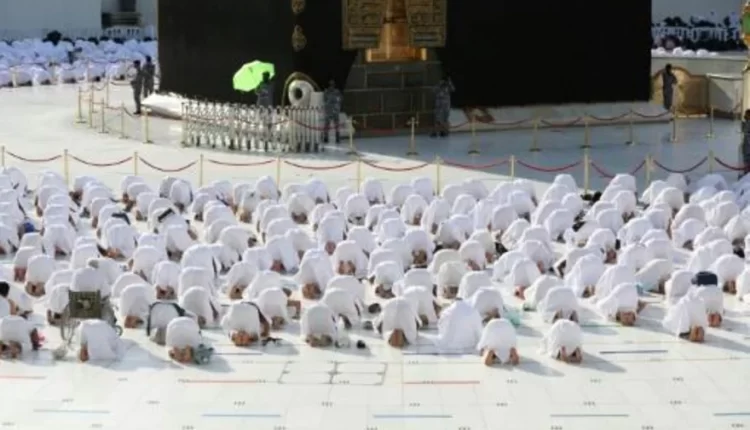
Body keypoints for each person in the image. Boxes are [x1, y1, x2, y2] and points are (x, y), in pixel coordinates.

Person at [322, 79, 342, 144]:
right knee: (327, 124)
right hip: (329, 110)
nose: (331, 86)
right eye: (331, 85)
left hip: (334, 110)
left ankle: (337, 137)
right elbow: (325, 100)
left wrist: (337, 107)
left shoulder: (337, 92)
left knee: (336, 124)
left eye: (332, 85)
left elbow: (339, 100)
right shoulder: (326, 92)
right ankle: (326, 137)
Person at [741, 109, 750, 176]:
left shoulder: (748, 122)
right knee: (746, 159)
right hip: (746, 144)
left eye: (746, 114)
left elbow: (745, 131)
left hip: (748, 145)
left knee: (747, 159)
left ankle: (747, 174)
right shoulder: (746, 122)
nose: (745, 115)